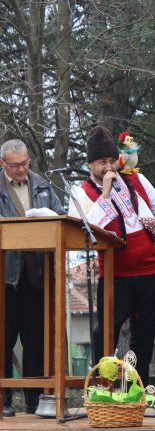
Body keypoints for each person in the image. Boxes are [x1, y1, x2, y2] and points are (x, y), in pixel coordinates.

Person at [68, 126, 155, 386]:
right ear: (91, 163)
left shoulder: (136, 179)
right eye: (102, 162)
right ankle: (102, 388)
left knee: (144, 335)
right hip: (116, 273)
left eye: (112, 161)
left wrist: (149, 243)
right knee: (106, 333)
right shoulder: (81, 193)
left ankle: (138, 390)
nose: (108, 167)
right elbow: (86, 228)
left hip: (149, 269)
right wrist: (105, 193)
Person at [0, 139, 65, 416]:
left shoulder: (42, 184)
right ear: (3, 164)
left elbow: (61, 215)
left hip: (37, 275)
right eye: (15, 165)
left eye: (25, 163)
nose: (21, 169)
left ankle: (35, 400)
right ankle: (3, 401)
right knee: (4, 338)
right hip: (5, 277)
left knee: (36, 340)